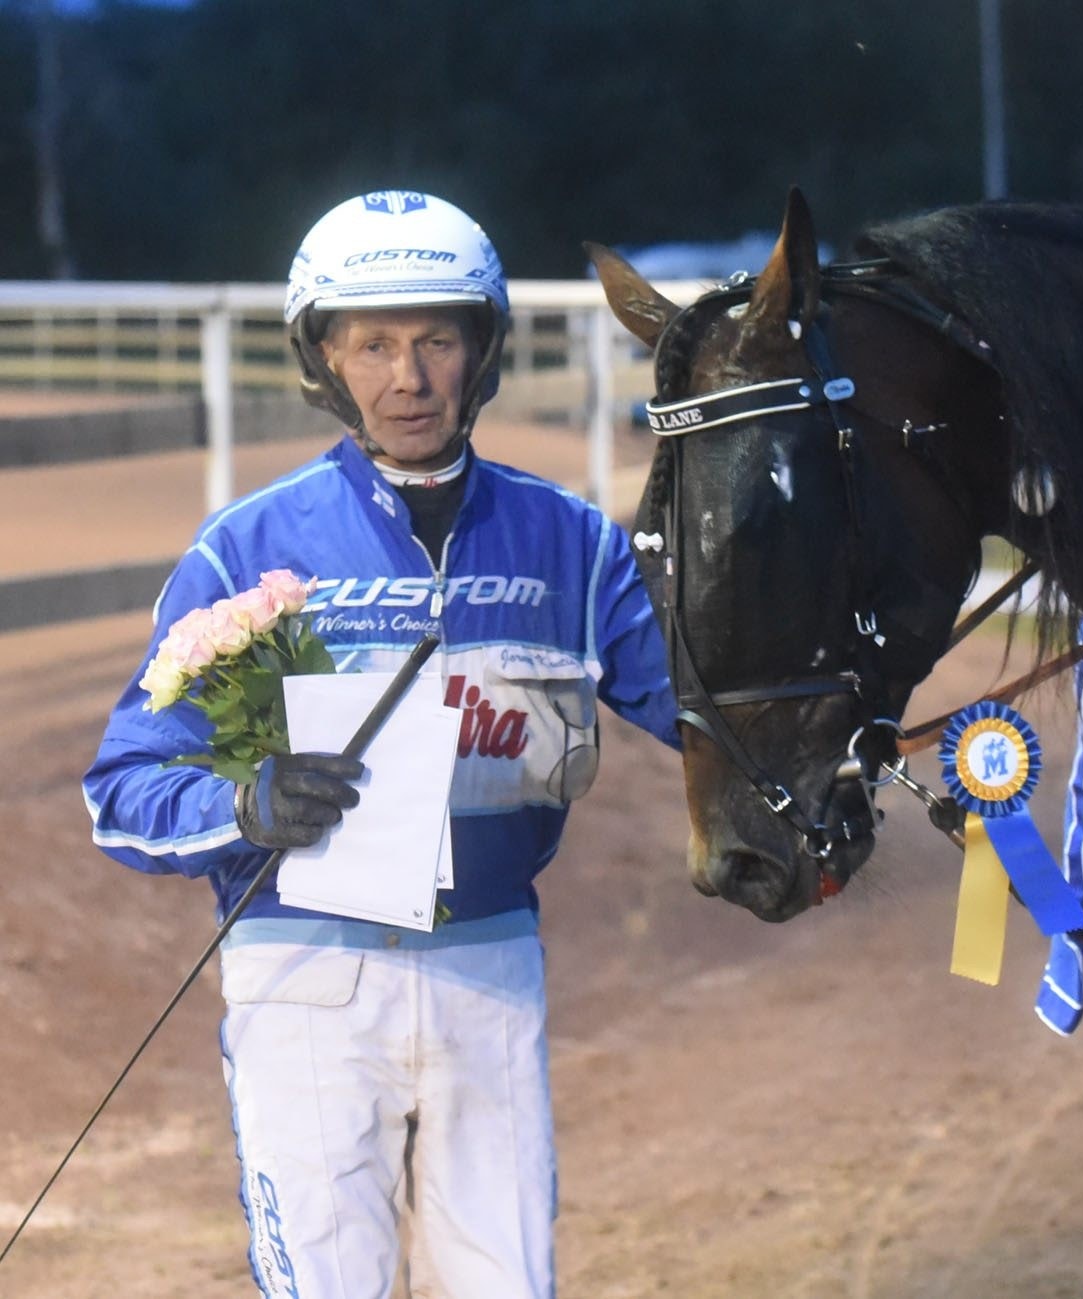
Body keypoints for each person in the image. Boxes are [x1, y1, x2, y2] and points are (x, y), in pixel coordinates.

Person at [82, 190, 679, 1298]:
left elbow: (706, 711)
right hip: (303, 975)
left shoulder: (574, 543)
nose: (408, 377)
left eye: (436, 340)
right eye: (372, 345)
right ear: (324, 361)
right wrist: (245, 806)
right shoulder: (245, 548)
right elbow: (122, 789)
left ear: (483, 352)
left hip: (491, 968)